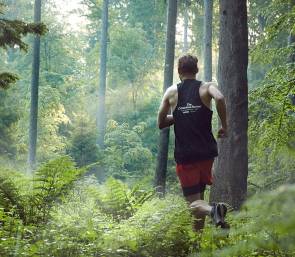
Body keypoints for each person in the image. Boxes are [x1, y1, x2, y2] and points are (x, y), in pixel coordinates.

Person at [157, 54, 228, 231]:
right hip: (206, 153)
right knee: (199, 198)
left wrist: (179, 114)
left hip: (186, 155)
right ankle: (198, 241)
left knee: (193, 203)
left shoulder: (171, 92)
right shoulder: (207, 87)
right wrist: (224, 126)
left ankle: (214, 210)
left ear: (179, 71)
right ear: (196, 70)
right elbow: (219, 98)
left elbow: (161, 122)